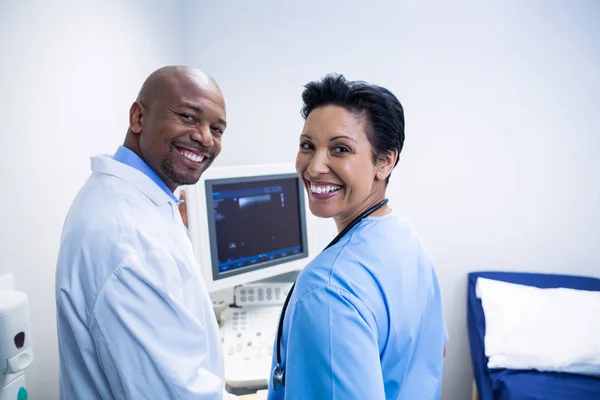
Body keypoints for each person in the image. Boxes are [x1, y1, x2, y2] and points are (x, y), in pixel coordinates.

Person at [55, 65, 245, 399]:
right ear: (138, 117)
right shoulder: (129, 237)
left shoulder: (139, 202)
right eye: (188, 117)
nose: (205, 138)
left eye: (217, 129)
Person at [267, 74, 448, 400]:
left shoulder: (327, 290)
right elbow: (435, 350)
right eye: (308, 146)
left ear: (385, 162)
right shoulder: (405, 237)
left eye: (340, 149)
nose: (315, 166)